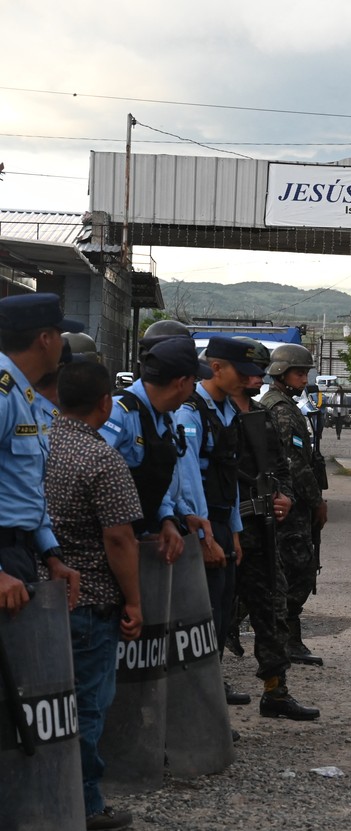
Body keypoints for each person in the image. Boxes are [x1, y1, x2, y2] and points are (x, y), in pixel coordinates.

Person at [45, 361, 144, 830]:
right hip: (90, 603)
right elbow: (120, 538)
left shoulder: (35, 443)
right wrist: (135, 601)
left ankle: (37, 797)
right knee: (85, 708)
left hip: (38, 598)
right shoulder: (102, 458)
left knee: (39, 706)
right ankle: (83, 804)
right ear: (105, 404)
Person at [229, 341, 320, 719]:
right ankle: (208, 683)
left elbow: (283, 466)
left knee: (273, 605)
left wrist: (284, 496)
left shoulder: (261, 416)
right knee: (219, 609)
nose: (256, 378)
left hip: (262, 526)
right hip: (225, 528)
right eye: (249, 372)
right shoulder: (209, 414)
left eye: (259, 372)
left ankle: (276, 691)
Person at [174, 336, 253, 675]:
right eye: (241, 371)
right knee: (200, 613)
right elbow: (188, 477)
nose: (248, 379)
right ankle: (198, 693)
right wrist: (206, 538)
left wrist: (234, 531)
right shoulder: (190, 414)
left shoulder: (228, 411)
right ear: (217, 367)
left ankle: (213, 684)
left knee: (222, 608)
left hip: (221, 523)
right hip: (199, 525)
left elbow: (229, 473)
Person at [0, 292, 82, 614]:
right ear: (45, 340)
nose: (63, 342)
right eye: (60, 334)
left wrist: (51, 554)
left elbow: (22, 485)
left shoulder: (25, 393)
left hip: (19, 553)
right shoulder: (5, 393)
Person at [102, 336, 206, 565]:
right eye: (193, 382)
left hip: (143, 539)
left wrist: (167, 518)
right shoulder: (120, 414)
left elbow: (158, 484)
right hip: (109, 549)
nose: (193, 390)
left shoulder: (164, 416)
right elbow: (94, 482)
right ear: (180, 383)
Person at [261, 344, 330, 668]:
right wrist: (316, 502)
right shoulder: (281, 409)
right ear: (280, 373)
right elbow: (295, 464)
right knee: (297, 571)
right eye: (299, 373)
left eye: (306, 372)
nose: (304, 378)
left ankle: (289, 639)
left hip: (293, 502)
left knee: (295, 570)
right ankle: (285, 640)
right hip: (292, 503)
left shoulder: (285, 404)